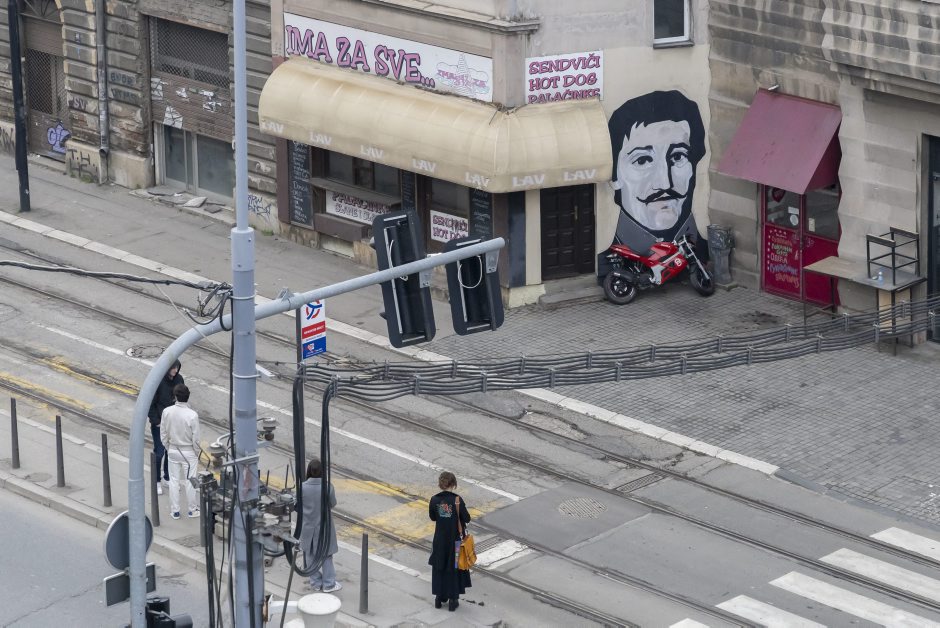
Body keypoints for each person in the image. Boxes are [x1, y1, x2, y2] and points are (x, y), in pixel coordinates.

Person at [604, 90, 708, 264]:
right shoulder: (605, 262)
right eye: (642, 160)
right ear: (614, 176)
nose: (664, 183)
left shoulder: (706, 252)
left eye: (678, 157)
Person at [428, 471, 471, 612]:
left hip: (440, 541)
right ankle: (453, 600)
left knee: (439, 567)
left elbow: (433, 517)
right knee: (453, 568)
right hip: (455, 542)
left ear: (441, 484)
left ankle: (439, 599)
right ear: (453, 484)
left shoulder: (434, 500)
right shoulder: (457, 500)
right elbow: (467, 518)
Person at [300, 457, 340, 592]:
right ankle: (329, 583)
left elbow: (296, 505)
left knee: (310, 555)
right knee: (326, 555)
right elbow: (332, 503)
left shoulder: (302, 487)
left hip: (308, 527)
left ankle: (316, 583)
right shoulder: (327, 487)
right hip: (324, 527)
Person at [160, 383, 200, 520]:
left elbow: (163, 434)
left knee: (174, 481)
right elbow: (196, 439)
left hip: (173, 449)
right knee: (191, 481)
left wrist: (168, 447)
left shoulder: (167, 411)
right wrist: (196, 452)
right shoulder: (192, 415)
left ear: (175, 397)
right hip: (189, 452)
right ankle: (192, 509)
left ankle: (175, 511)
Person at [148, 359, 183, 495]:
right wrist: (156, 421)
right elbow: (150, 403)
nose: (175, 370)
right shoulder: (158, 381)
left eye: (176, 367)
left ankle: (167, 477)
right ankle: (156, 480)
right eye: (173, 367)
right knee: (159, 452)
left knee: (170, 452)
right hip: (160, 423)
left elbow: (182, 399)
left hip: (173, 422)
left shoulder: (179, 379)